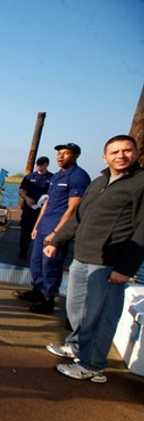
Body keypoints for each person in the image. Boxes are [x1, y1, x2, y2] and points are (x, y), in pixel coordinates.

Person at [44, 135, 143, 382]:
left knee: (100, 315)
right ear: (104, 156)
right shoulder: (99, 182)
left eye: (126, 150)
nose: (120, 156)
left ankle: (93, 364)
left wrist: (125, 267)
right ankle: (76, 346)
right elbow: (79, 218)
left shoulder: (141, 183)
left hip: (109, 263)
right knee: (76, 309)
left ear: (137, 152)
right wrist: (56, 240)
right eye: (114, 151)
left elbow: (143, 229)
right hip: (82, 257)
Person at [17, 143, 91, 314]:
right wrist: (37, 225)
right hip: (43, 226)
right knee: (36, 263)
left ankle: (48, 300)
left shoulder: (78, 177)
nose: (60, 156)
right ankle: (37, 291)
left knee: (50, 265)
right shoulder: (57, 176)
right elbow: (48, 202)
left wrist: (57, 233)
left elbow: (73, 209)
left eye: (65, 154)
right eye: (59, 153)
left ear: (75, 156)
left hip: (57, 229)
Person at [18, 156, 53, 259]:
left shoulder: (52, 178)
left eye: (42, 165)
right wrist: (27, 198)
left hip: (44, 211)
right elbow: (21, 191)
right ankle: (23, 251)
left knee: (42, 232)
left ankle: (39, 254)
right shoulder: (29, 177)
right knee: (25, 231)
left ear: (46, 165)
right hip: (29, 210)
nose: (39, 167)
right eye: (38, 165)